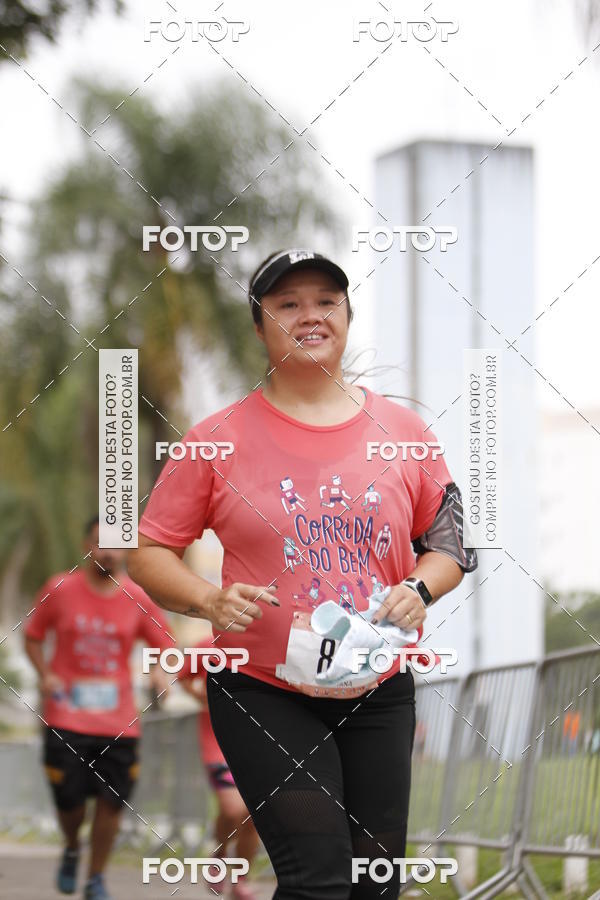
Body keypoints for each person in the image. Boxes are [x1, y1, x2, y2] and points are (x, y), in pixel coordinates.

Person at [127, 248, 478, 899]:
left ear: (347, 315)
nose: (309, 315)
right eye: (287, 304)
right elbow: (148, 551)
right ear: (259, 326)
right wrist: (207, 599)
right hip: (262, 688)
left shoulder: (404, 432)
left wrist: (418, 587)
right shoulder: (216, 438)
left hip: (378, 685)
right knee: (318, 878)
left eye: (325, 301)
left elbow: (451, 548)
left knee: (374, 884)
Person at [24, 515, 174, 900]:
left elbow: (166, 648)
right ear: (86, 547)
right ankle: (73, 845)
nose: (108, 553)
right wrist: (45, 675)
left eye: (117, 546)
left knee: (111, 802)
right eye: (100, 544)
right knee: (70, 802)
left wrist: (159, 674)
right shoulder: (58, 589)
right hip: (66, 717)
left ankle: (96, 878)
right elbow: (33, 637)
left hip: (118, 722)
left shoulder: (137, 598)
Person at [179, 644, 260, 898]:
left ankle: (240, 878)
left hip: (258, 740)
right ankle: (220, 853)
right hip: (216, 740)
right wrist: (200, 697)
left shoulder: (268, 645)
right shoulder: (207, 647)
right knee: (234, 809)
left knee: (253, 816)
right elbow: (182, 677)